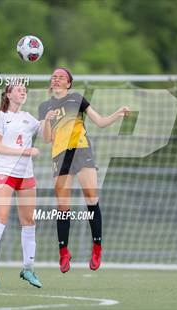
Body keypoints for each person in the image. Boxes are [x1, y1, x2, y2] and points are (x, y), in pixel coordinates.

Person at [38, 68, 130, 273]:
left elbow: (100, 122)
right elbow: (46, 138)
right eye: (54, 76)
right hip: (60, 156)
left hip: (81, 150)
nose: (57, 78)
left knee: (91, 197)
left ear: (69, 84)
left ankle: (97, 247)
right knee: (63, 205)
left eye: (61, 77)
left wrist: (118, 113)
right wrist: (46, 120)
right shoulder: (45, 106)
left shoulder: (77, 99)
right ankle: (63, 252)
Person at [0, 84, 42, 289]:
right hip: (5, 172)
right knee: (1, 217)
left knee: (29, 221)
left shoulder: (29, 117)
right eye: (18, 89)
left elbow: (49, 136)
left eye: (25, 89)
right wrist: (25, 151)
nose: (23, 91)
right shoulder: (0, 116)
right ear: (8, 94)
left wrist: (50, 119)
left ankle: (28, 268)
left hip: (26, 175)